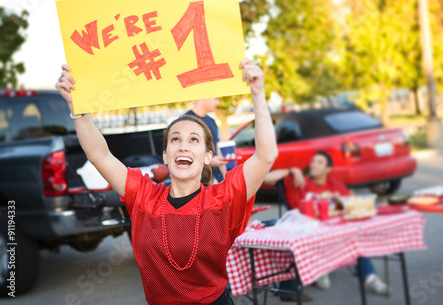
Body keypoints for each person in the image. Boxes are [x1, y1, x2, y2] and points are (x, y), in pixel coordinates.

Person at [55, 58, 278, 305]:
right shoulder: (143, 195)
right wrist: (78, 110)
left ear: (207, 157)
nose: (183, 145)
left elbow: (266, 155)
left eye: (194, 140)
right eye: (175, 140)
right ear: (165, 156)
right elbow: (100, 156)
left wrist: (258, 94)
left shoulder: (223, 199)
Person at [264, 151, 389, 302]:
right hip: (304, 227)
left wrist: (341, 201)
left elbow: (352, 205)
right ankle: (318, 270)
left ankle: (370, 277)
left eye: (319, 162)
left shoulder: (334, 186)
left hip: (330, 228)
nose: (314, 164)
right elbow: (267, 178)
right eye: (313, 161)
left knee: (354, 234)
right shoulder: (299, 181)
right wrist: (292, 170)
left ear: (328, 169)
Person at [185, 98, 227, 183]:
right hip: (199, 181)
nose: (218, 103)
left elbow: (218, 149)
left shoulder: (211, 121)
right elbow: (185, 153)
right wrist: (210, 162)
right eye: (216, 98)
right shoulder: (186, 121)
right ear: (205, 97)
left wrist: (226, 178)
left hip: (217, 178)